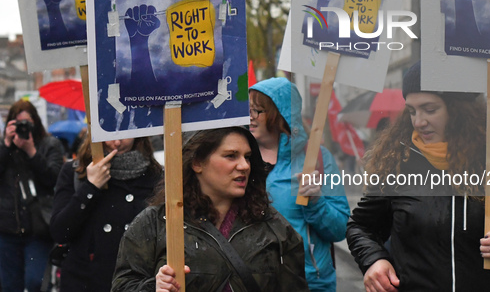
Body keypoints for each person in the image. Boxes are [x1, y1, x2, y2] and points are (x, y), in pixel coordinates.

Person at [346, 61, 490, 292]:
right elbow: (361, 226)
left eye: (430, 109)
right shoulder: (398, 165)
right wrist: (374, 260)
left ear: (459, 109)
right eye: (412, 111)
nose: (418, 121)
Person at [111, 126, 308, 291]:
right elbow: (122, 285)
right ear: (197, 162)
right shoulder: (155, 223)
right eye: (231, 156)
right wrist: (155, 287)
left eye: (247, 157)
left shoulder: (272, 225)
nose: (244, 166)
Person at [249, 78, 350, 292]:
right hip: (254, 282)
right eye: (247, 109)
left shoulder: (317, 159)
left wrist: (316, 202)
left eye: (257, 110)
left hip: (310, 283)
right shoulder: (241, 159)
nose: (250, 117)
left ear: (279, 115)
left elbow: (340, 228)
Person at [50, 134, 163, 292]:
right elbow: (60, 231)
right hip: (85, 280)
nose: (116, 142)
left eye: (124, 134)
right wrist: (90, 187)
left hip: (136, 281)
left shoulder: (154, 175)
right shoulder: (76, 171)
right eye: (110, 134)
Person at [0, 99, 65, 292]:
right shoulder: (4, 147)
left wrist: (31, 152)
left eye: (26, 123)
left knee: (35, 282)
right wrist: (6, 145)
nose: (22, 128)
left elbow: (54, 178)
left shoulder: (49, 144)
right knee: (10, 286)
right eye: (17, 123)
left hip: (38, 229)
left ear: (35, 122)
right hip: (6, 229)